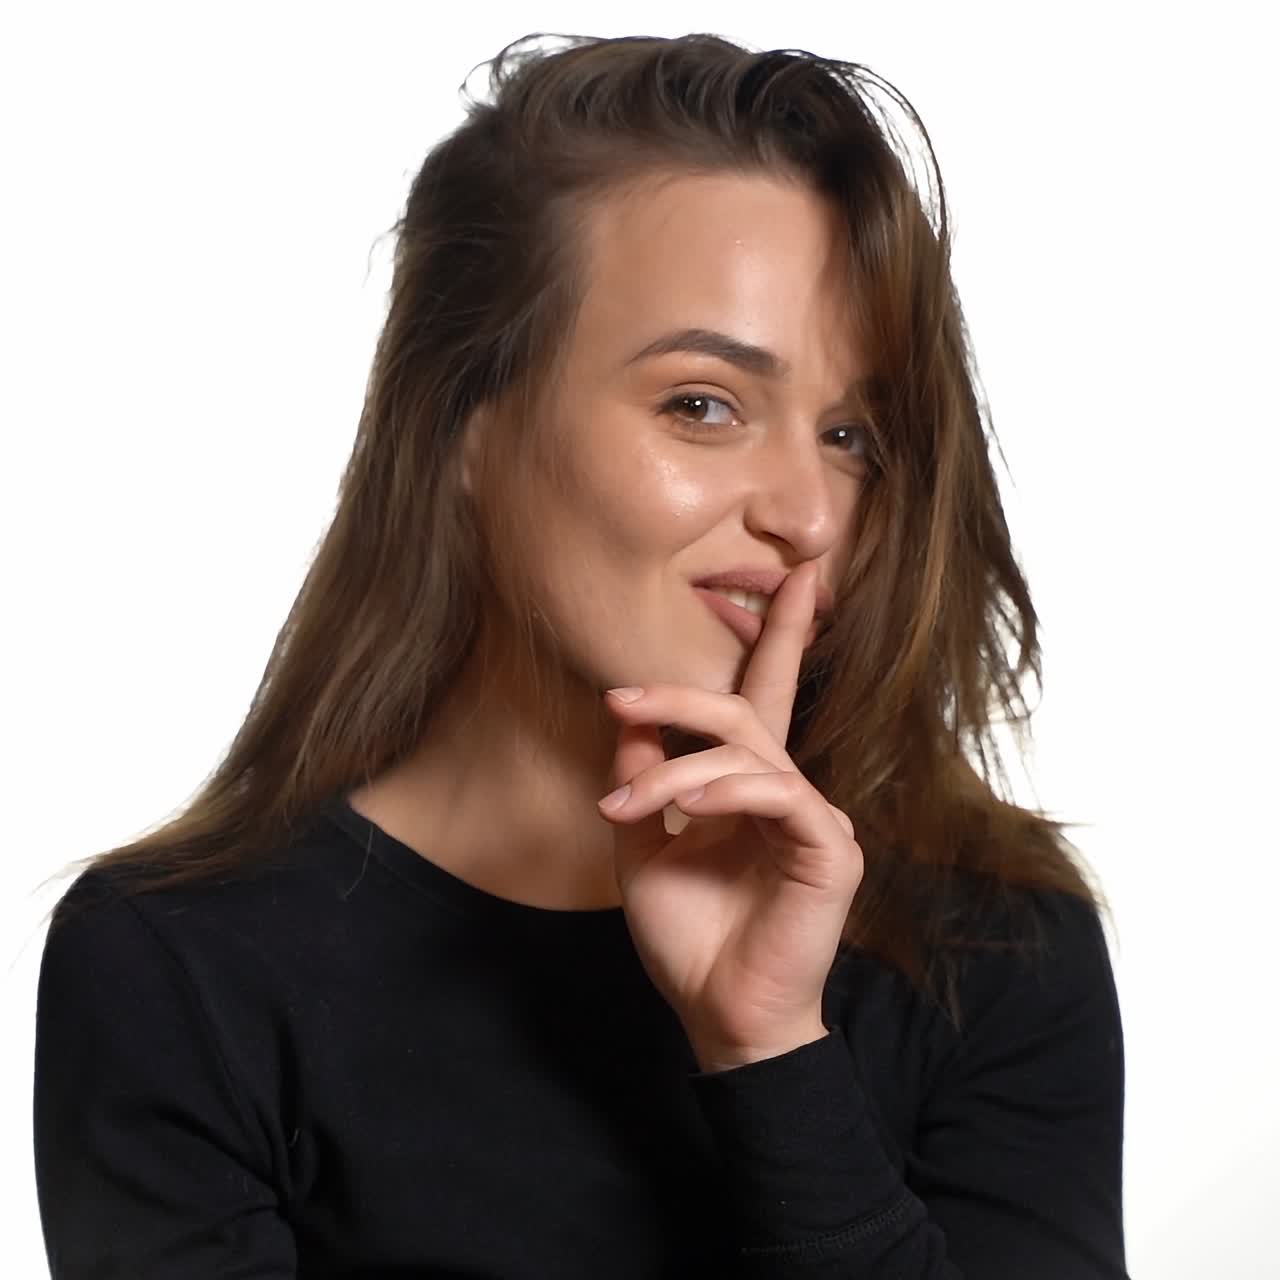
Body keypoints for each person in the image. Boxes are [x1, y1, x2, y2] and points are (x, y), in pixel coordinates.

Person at [31, 30, 1127, 1279]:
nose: (810, 513)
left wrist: (770, 1050)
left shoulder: (995, 947)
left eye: (851, 433)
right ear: (462, 426)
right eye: (701, 404)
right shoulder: (179, 968)